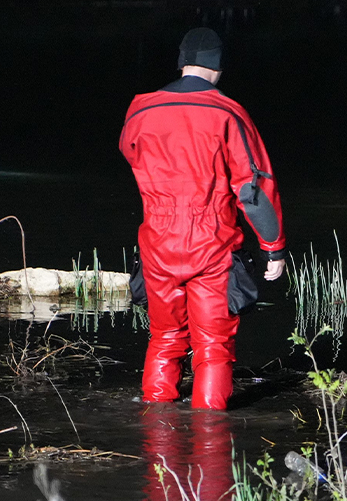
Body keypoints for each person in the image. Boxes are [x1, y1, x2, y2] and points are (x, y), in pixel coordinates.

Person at [119, 28, 287, 410]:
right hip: (211, 243)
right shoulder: (227, 112)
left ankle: (157, 434)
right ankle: (209, 438)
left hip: (157, 242)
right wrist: (273, 248)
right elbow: (253, 189)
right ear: (219, 66)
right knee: (212, 344)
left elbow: (130, 154)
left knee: (164, 336)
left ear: (181, 62)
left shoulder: (140, 109)